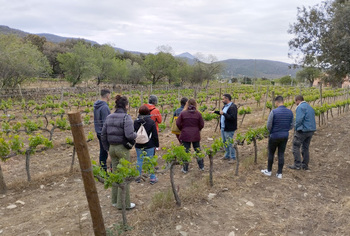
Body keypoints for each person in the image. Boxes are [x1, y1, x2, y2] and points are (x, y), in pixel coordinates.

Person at [101, 95, 137, 209]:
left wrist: (107, 148)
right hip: (122, 149)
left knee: (115, 173)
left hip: (112, 148)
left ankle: (114, 201)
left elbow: (103, 135)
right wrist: (136, 135)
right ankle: (124, 204)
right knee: (124, 175)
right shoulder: (126, 117)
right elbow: (129, 135)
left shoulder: (109, 117)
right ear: (126, 106)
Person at [261, 96, 293, 179]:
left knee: (271, 153)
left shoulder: (274, 112)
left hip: (274, 135)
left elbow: (268, 125)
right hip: (285, 135)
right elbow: (292, 125)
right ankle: (279, 173)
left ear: (277, 102)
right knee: (281, 154)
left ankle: (269, 171)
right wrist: (285, 130)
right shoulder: (290, 112)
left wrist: (271, 131)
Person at [176, 98, 205, 173]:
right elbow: (202, 124)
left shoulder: (183, 113)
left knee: (186, 151)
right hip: (195, 134)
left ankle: (185, 168)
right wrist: (197, 129)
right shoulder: (198, 113)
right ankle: (201, 166)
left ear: (187, 104)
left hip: (185, 134)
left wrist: (182, 128)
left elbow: (178, 123)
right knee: (198, 150)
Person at [289, 95, 316, 170]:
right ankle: (305, 165)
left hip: (303, 130)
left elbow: (299, 120)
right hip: (311, 130)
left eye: (295, 101)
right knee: (305, 147)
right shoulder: (310, 107)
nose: (295, 103)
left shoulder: (300, 107)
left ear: (298, 100)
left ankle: (297, 165)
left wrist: (296, 128)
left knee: (295, 146)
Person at [134, 105, 159, 185]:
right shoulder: (151, 122)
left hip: (138, 144)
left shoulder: (135, 122)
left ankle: (138, 177)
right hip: (149, 144)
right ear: (148, 112)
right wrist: (157, 145)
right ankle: (152, 178)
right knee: (150, 161)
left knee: (139, 160)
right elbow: (155, 135)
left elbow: (133, 133)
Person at [212, 94, 238, 164]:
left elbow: (232, 117)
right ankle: (227, 155)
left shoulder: (233, 107)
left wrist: (223, 114)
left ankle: (233, 157)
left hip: (229, 128)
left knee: (230, 143)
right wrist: (215, 112)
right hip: (223, 127)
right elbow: (222, 113)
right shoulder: (225, 106)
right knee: (225, 142)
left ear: (227, 99)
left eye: (223, 99)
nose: (222, 100)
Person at [93, 89, 111, 172]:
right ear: (107, 96)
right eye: (110, 95)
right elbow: (106, 122)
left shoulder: (96, 106)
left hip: (98, 131)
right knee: (106, 152)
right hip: (104, 133)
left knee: (102, 151)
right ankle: (104, 171)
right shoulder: (104, 107)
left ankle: (103, 169)